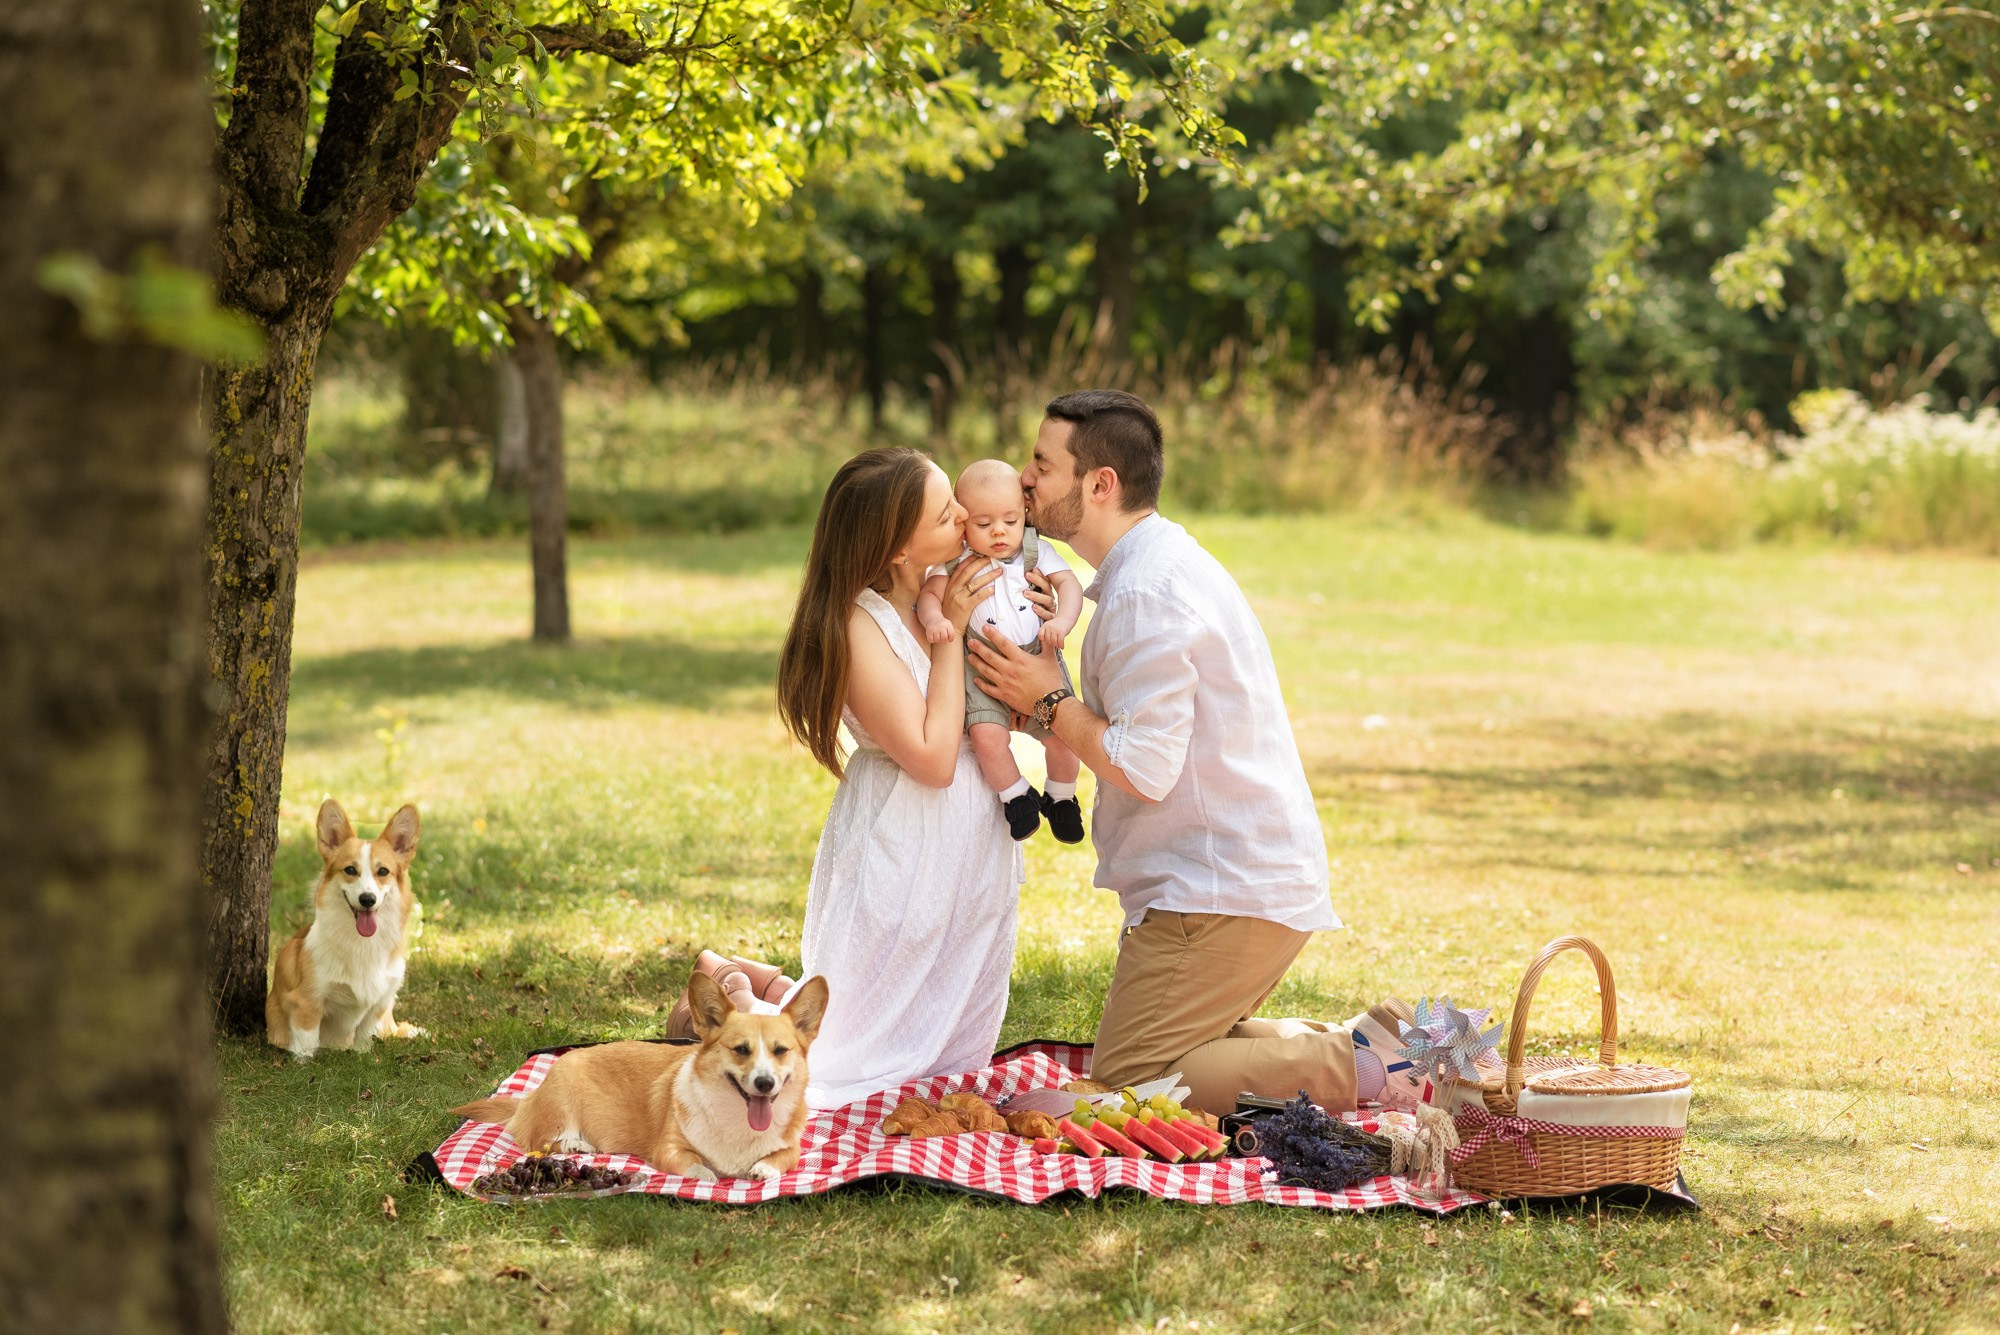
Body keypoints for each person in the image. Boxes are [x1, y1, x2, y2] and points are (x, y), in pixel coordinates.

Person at [968, 390, 1420, 1115]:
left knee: (1131, 1084)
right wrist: (1023, 703)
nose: (1023, 479)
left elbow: (1144, 766)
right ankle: (1386, 1035)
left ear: (1100, 484)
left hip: (1218, 893)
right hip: (1226, 884)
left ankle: (1370, 1065)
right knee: (1181, 1055)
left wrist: (1052, 701)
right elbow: (1128, 735)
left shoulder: (1149, 591)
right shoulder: (1144, 569)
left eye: (1041, 464)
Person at [667, 448, 1020, 1110]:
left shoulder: (944, 586)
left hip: (967, 858)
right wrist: (953, 642)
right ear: (895, 548)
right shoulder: (863, 626)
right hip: (904, 842)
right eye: (948, 513)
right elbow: (933, 759)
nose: (967, 516)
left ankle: (755, 982)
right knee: (837, 1065)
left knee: (940, 1060)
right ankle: (731, 999)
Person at [916, 458, 1087, 843]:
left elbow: (1070, 585)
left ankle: (1061, 796)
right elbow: (931, 594)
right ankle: (1015, 795)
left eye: (1010, 521)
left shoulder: (1034, 550)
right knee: (986, 737)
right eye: (982, 523)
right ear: (963, 521)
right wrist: (934, 620)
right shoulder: (956, 558)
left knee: (1063, 735)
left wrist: (1061, 622)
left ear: (1024, 513)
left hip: (1036, 654)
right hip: (981, 665)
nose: (998, 532)